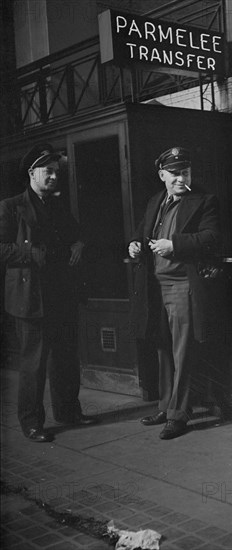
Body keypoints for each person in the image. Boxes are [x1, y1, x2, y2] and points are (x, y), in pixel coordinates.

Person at [0, 143, 98, 443]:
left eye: (57, 171)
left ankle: (68, 411)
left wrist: (80, 243)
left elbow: (76, 233)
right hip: (31, 299)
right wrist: (30, 253)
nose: (55, 177)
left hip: (62, 294)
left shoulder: (57, 206)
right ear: (32, 172)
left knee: (66, 358)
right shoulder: (11, 206)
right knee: (34, 364)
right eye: (48, 171)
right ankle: (31, 422)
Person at [129, 146, 220, 440]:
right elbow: (143, 233)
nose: (181, 179)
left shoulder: (203, 201)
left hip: (182, 284)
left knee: (182, 351)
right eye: (175, 173)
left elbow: (211, 237)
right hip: (154, 285)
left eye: (186, 172)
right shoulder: (155, 200)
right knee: (163, 348)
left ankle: (178, 415)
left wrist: (175, 245)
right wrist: (135, 244)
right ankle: (166, 406)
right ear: (162, 175)